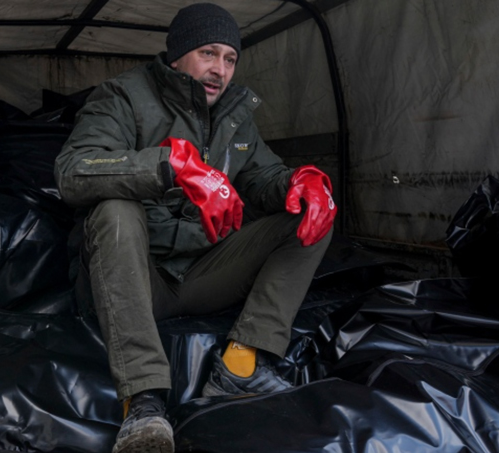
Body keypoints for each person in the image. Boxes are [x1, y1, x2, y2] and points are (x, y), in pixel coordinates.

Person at [54, 3, 336, 452]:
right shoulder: (123, 96)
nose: (219, 70)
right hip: (131, 279)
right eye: (208, 53)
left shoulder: (236, 113)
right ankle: (143, 405)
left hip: (203, 272)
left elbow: (263, 177)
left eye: (229, 58)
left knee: (312, 215)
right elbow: (73, 170)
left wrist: (298, 182)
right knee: (113, 209)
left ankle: (239, 367)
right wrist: (172, 166)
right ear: (178, 54)